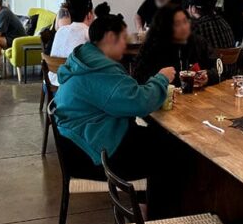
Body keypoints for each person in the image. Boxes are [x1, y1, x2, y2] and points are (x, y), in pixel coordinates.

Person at [53, 13, 175, 179]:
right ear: (110, 37)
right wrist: (162, 78)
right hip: (93, 155)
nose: (126, 44)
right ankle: (153, 203)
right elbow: (139, 103)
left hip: (83, 142)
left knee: (160, 139)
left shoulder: (84, 61)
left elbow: (125, 96)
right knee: (174, 151)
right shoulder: (99, 71)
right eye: (123, 38)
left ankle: (145, 199)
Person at [133, 3, 220, 87]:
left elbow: (218, 67)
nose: (183, 27)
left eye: (185, 21)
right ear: (166, 27)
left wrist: (208, 76)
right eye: (177, 24)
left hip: (196, 98)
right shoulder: (153, 47)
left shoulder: (197, 42)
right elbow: (139, 80)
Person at [48, 0, 94, 86]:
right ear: (89, 15)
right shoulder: (88, 33)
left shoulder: (61, 31)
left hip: (52, 80)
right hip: (72, 84)